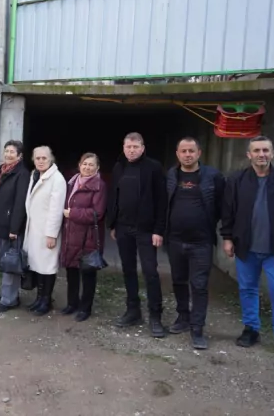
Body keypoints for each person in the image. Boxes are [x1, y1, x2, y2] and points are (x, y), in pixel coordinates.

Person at [221, 136, 274, 356]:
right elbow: (228, 212)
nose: (262, 154)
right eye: (257, 150)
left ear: (272, 153)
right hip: (246, 247)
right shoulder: (237, 181)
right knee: (247, 289)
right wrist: (228, 238)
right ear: (249, 155)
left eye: (266, 150)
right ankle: (251, 329)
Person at [164, 138, 225, 349]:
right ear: (177, 154)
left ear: (199, 153)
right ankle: (183, 317)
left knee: (199, 285)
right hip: (175, 240)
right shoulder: (171, 175)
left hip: (201, 242)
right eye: (183, 151)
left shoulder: (213, 176)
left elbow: (222, 206)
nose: (187, 154)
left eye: (191, 151)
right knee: (178, 281)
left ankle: (197, 328)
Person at [107, 132, 167, 337]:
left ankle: (155, 316)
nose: (131, 150)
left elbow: (162, 200)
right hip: (123, 228)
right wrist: (113, 224)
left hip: (146, 230)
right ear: (123, 148)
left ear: (142, 148)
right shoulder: (119, 167)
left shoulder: (153, 167)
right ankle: (133, 311)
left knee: (150, 272)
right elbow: (114, 196)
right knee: (128, 270)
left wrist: (158, 229)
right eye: (128, 147)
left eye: (135, 147)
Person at [59, 153, 107, 322]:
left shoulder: (99, 186)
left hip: (88, 236)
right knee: (71, 271)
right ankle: (72, 303)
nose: (87, 167)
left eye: (91, 165)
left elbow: (97, 213)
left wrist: (72, 213)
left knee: (88, 273)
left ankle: (85, 308)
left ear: (97, 168)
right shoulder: (71, 182)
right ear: (79, 165)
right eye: (84, 164)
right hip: (71, 234)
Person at [23, 146, 68, 316]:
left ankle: (46, 300)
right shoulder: (35, 175)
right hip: (34, 230)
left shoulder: (57, 179)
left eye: (44, 158)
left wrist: (51, 234)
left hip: (46, 232)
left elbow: (56, 210)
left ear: (51, 159)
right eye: (38, 158)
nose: (41, 161)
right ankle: (39, 298)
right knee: (37, 266)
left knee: (48, 267)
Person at [0, 140, 31, 313]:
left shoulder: (22, 173)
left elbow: (20, 203)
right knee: (6, 262)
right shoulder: (3, 170)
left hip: (11, 228)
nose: (8, 154)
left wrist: (14, 229)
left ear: (19, 155)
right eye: (6, 151)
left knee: (11, 263)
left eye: (12, 152)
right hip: (1, 224)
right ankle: (8, 295)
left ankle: (8, 300)